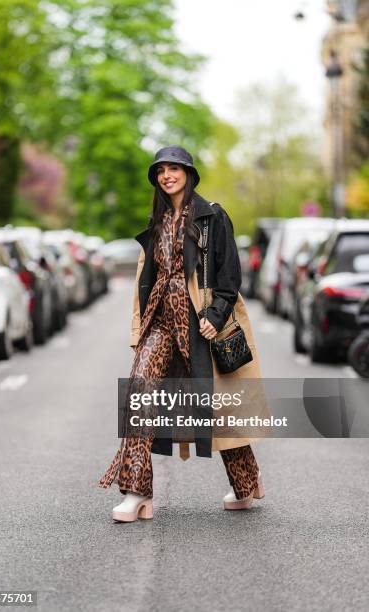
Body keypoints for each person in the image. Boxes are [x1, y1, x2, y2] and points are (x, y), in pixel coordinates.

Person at [98, 145, 265, 522]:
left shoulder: (212, 217)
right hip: (159, 322)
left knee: (219, 411)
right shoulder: (157, 221)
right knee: (139, 394)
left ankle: (246, 479)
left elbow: (229, 276)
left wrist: (216, 314)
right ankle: (136, 491)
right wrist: (139, 326)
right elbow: (149, 278)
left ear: (189, 174)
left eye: (174, 168)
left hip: (200, 326)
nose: (167, 175)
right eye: (161, 170)